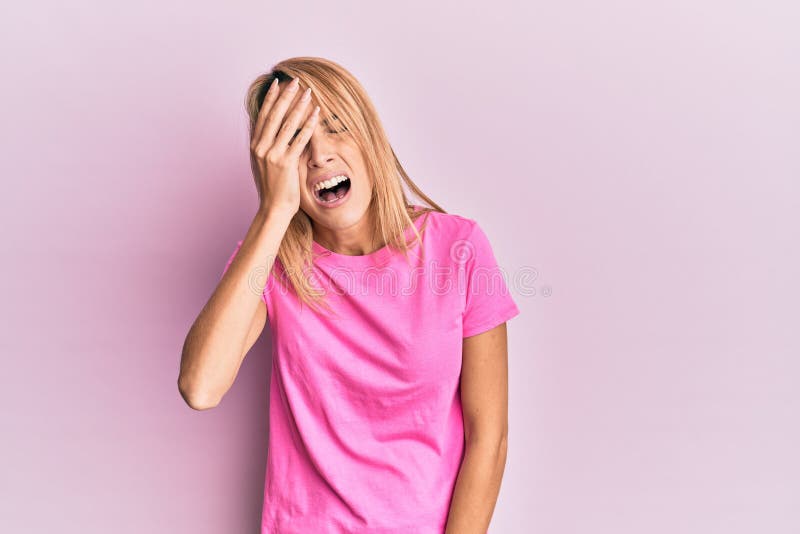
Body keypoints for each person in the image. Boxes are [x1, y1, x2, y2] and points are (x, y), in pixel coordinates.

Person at [178, 57, 521, 534]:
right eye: (295, 144)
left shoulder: (458, 248)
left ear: (368, 135)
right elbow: (200, 387)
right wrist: (273, 211)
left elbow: (490, 439)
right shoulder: (269, 259)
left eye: (335, 128)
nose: (319, 156)